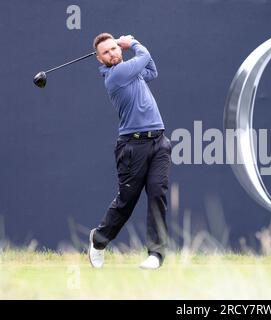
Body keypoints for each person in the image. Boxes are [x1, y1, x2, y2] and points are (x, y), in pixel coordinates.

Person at [88, 33, 171, 269]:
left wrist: (130, 47)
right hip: (132, 148)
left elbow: (152, 71)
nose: (113, 53)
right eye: (106, 52)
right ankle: (98, 240)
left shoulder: (129, 71)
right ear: (99, 59)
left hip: (159, 142)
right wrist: (131, 42)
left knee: (158, 195)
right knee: (127, 202)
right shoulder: (115, 76)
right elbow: (144, 55)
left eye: (115, 48)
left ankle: (156, 255)